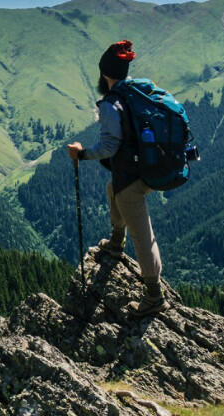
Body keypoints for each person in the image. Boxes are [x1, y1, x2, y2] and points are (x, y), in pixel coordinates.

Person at [66, 40, 167, 318]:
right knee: (113, 189)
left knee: (143, 235)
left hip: (133, 176)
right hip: (147, 166)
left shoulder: (113, 103)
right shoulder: (136, 90)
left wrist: (82, 153)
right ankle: (116, 241)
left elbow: (109, 147)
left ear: (104, 74)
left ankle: (154, 296)